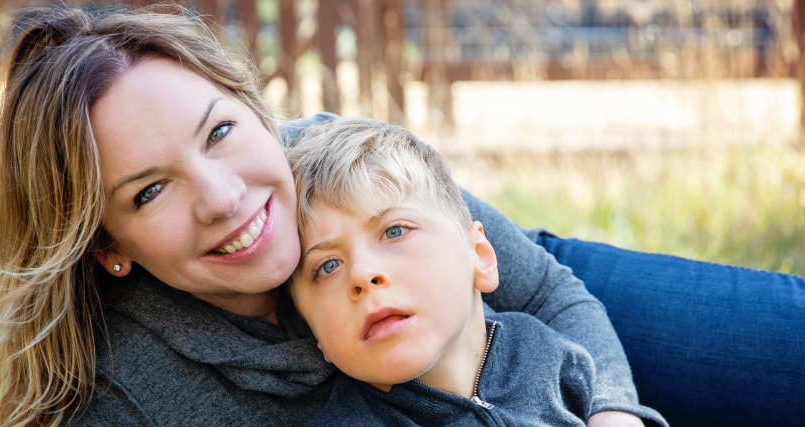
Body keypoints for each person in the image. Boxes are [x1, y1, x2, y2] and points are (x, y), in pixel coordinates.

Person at [0, 5, 805, 427]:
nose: (225, 196)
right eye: (149, 191)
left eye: (221, 131)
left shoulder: (340, 171)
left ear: (252, 103)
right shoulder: (124, 401)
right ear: (105, 246)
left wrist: (612, 413)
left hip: (501, 305)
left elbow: (547, 291)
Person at [285, 116, 668, 426]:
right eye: (328, 266)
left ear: (481, 256)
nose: (362, 274)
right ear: (314, 334)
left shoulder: (546, 354)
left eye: (395, 231)